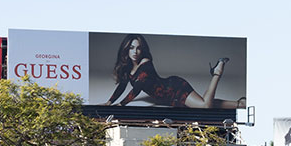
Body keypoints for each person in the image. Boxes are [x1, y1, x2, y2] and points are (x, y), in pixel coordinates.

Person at [105, 34, 245, 109]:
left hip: (175, 88)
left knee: (205, 106)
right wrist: (109, 102)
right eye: (131, 48)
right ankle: (239, 104)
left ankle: (217, 72)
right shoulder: (128, 68)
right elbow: (122, 85)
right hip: (169, 99)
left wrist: (121, 105)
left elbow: (138, 87)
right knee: (202, 103)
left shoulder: (145, 62)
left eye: (138, 48)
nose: (135, 52)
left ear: (143, 49)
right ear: (126, 49)